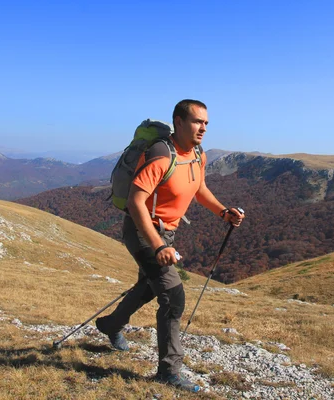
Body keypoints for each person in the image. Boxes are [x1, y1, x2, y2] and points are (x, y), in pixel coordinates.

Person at [96, 99, 244, 393]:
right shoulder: (161, 155)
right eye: (196, 122)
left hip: (168, 234)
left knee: (151, 287)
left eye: (205, 123)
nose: (202, 128)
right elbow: (136, 202)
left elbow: (198, 188)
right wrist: (156, 245)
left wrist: (223, 211)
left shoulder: (197, 154)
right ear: (178, 121)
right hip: (144, 232)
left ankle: (111, 325)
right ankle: (168, 371)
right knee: (173, 296)